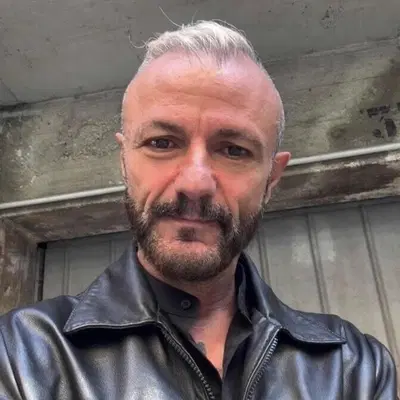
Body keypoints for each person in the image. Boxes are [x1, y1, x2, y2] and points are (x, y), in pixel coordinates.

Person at [0, 20, 397, 400]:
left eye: (234, 150)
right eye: (161, 143)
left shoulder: (353, 367)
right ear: (124, 161)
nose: (194, 183)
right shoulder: (23, 354)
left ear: (272, 179)